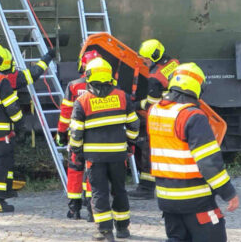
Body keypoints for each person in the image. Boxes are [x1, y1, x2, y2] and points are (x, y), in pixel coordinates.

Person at [148, 63, 239, 242]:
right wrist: (229, 193)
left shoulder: (155, 111)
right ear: (197, 87)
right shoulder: (192, 117)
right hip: (195, 199)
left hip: (166, 198)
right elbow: (209, 162)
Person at [0, 43, 53, 203]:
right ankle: (3, 192)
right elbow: (32, 75)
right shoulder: (6, 78)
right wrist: (47, 58)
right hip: (2, 128)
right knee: (2, 159)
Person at [70, 58, 140, 241]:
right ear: (109, 76)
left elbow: (76, 133)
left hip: (94, 158)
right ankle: (123, 229)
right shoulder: (122, 96)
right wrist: (129, 144)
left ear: (88, 76)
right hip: (118, 155)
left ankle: (105, 232)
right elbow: (134, 124)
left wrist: (77, 153)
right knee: (120, 190)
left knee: (99, 193)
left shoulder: (82, 101)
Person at [131, 39, 181, 199]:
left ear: (153, 57)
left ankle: (146, 188)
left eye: (145, 59)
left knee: (148, 148)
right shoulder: (174, 62)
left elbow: (151, 103)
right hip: (178, 111)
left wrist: (135, 104)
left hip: (163, 116)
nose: (144, 62)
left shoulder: (155, 77)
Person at [57, 49, 101, 220]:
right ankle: (92, 210)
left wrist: (61, 133)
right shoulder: (108, 87)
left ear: (83, 64)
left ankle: (74, 210)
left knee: (75, 170)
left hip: (76, 137)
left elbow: (65, 113)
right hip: (96, 138)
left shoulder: (74, 85)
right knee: (92, 171)